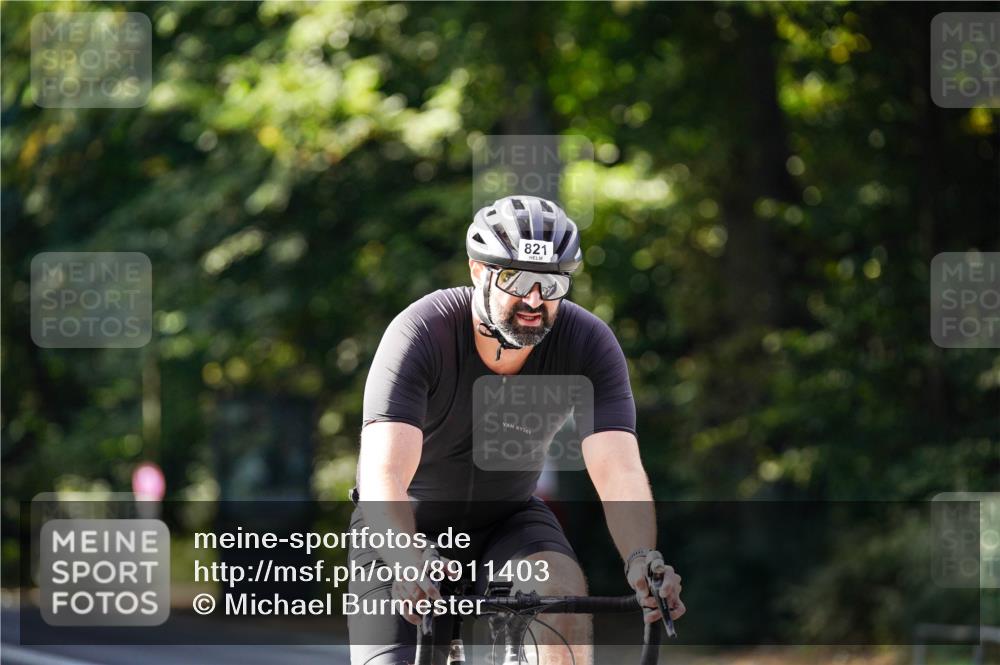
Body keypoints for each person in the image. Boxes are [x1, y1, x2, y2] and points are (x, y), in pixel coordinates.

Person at [350, 195, 685, 665]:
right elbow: (383, 475)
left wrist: (641, 557)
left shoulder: (587, 343)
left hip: (509, 520)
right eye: (517, 279)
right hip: (407, 526)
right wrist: (406, 559)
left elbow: (618, 471)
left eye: (552, 283)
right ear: (477, 271)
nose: (534, 300)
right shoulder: (421, 332)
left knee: (562, 601)